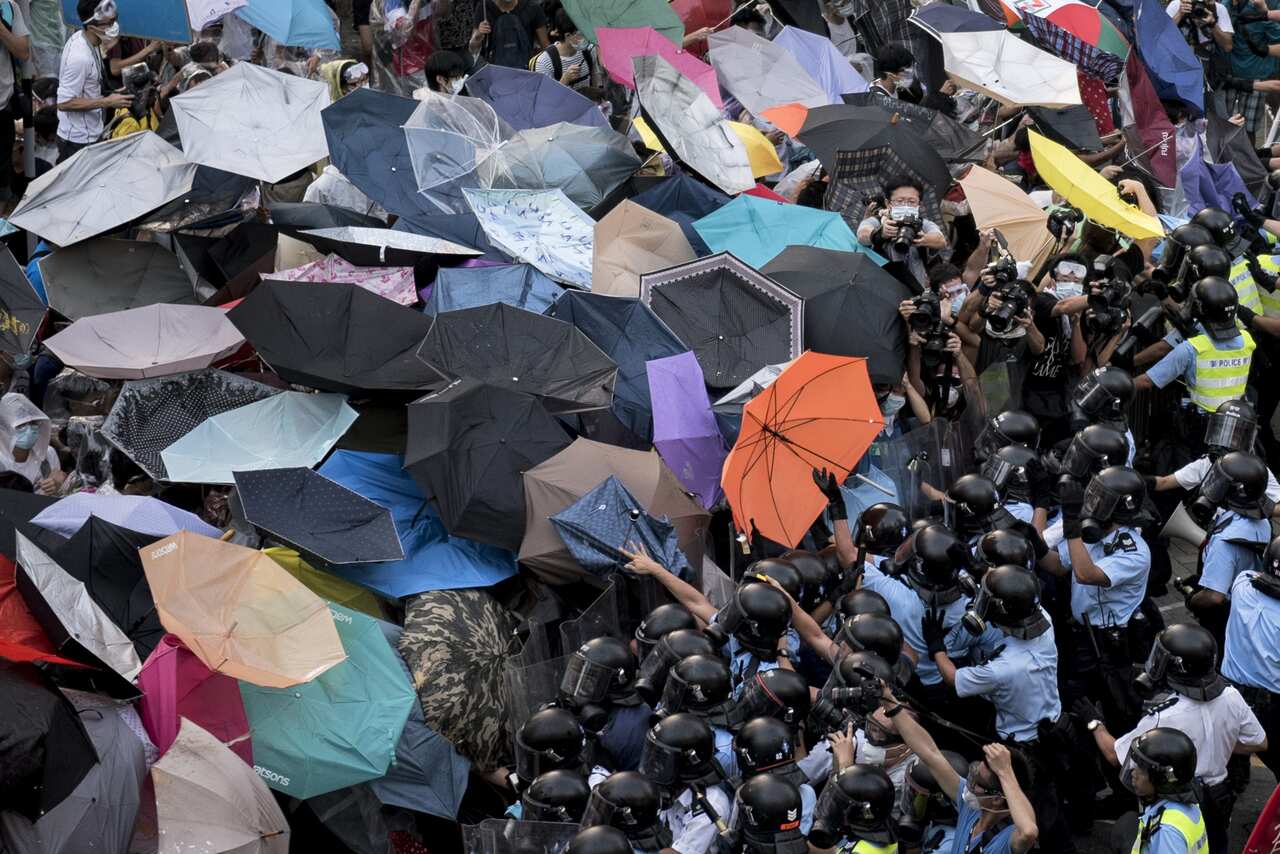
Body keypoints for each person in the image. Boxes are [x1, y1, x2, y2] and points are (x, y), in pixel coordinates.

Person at [1077, 624, 1266, 854]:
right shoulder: (1231, 696)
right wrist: (1217, 742)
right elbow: (1258, 742)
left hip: (1178, 799)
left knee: (1132, 833)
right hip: (1219, 798)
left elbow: (1114, 755)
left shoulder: (1163, 716)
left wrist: (1095, 723)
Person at [886, 687, 1040, 854]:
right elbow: (929, 753)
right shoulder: (971, 810)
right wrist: (888, 700)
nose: (969, 784)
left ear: (996, 799)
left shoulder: (1005, 839)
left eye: (977, 780)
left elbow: (1029, 832)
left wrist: (1005, 771)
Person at [1222, 534, 1280, 777]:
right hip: (1273, 706)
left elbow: (1255, 572)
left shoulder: (1242, 585)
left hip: (1229, 697)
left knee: (1226, 766)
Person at [55, 0, 131, 162]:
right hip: (78, 140)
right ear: (91, 27)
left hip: (92, 131)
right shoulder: (79, 57)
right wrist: (107, 102)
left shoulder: (90, 41)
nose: (114, 26)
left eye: (115, 20)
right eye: (109, 23)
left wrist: (112, 94)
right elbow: (64, 102)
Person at [1123, 728, 1209, 854]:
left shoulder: (1167, 833)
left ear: (1163, 779)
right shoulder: (1185, 801)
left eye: (1141, 769)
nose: (1133, 773)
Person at [856, 175, 947, 289]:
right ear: (888, 203)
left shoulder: (922, 224)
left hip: (916, 288)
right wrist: (880, 233)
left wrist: (922, 239)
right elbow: (862, 233)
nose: (906, 206)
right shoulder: (879, 221)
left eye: (912, 201)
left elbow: (941, 240)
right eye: (900, 201)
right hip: (882, 288)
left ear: (919, 204)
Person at [0, 392, 63, 495]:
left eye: (33, 423)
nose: (29, 430)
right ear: (5, 428)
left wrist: (58, 485)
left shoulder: (48, 455)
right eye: (21, 425)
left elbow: (57, 492)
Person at [531, 9, 597, 92]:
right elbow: (544, 99)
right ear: (568, 35)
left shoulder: (590, 51)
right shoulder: (544, 62)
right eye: (581, 34)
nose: (586, 37)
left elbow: (595, 84)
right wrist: (564, 80)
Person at [474, 0, 548, 70]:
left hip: (526, 72)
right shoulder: (484, 9)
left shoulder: (532, 8)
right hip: (492, 72)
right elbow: (473, 48)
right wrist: (478, 35)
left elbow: (545, 46)